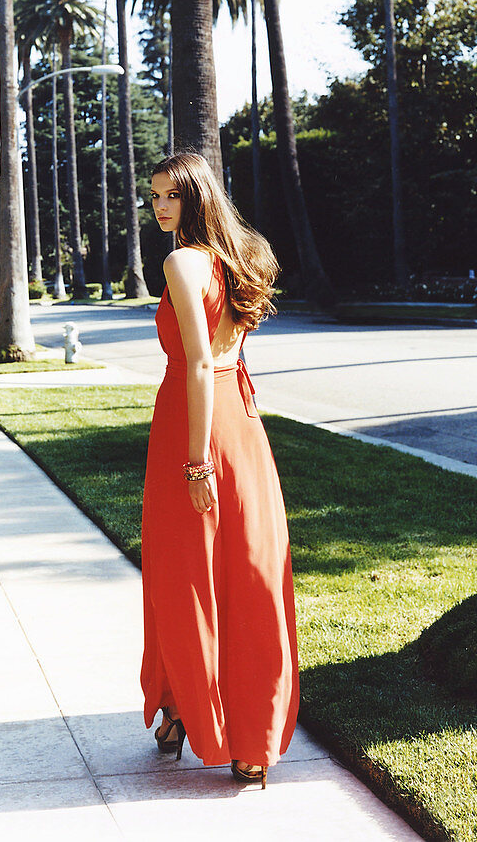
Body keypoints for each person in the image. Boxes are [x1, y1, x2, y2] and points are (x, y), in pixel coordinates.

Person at [141, 151, 299, 790]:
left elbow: (201, 364)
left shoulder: (182, 262)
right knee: (246, 571)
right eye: (153, 197)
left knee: (187, 576)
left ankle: (193, 715)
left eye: (169, 197)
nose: (159, 208)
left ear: (196, 197)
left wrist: (196, 459)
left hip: (195, 425)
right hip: (244, 423)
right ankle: (244, 738)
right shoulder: (245, 255)